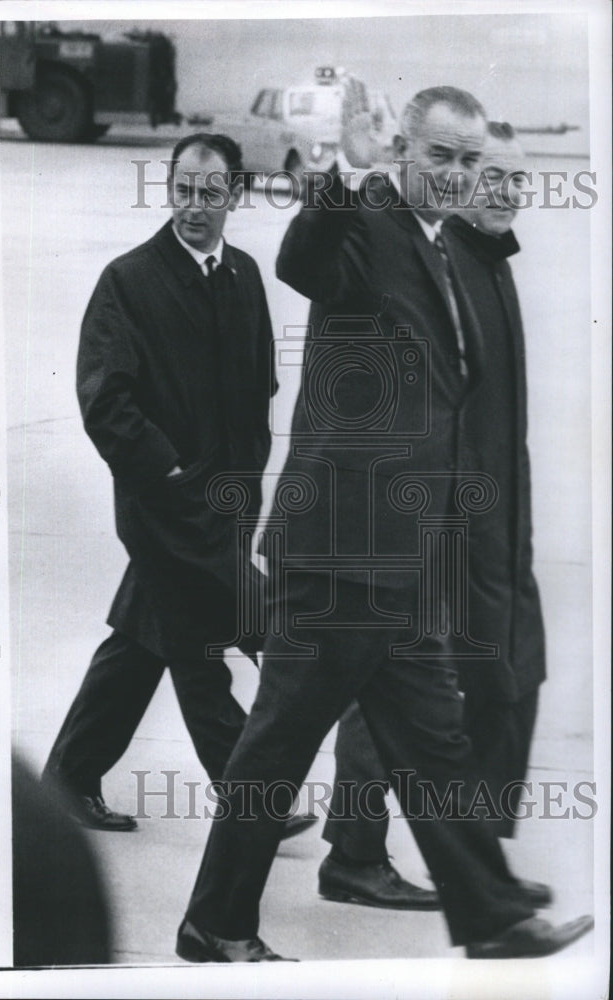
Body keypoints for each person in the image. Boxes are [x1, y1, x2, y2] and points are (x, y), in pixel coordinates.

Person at [176, 88, 593, 961]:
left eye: (466, 161)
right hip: (338, 553)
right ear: (403, 150)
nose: (452, 176)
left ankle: (490, 919)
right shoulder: (366, 222)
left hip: (401, 559)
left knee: (433, 745)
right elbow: (301, 259)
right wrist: (347, 168)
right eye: (436, 156)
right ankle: (214, 924)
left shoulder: (443, 249)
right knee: (276, 747)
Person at [42, 132, 313, 840]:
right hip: (162, 506)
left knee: (147, 636)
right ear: (168, 189)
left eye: (210, 193)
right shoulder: (128, 280)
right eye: (183, 191)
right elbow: (105, 400)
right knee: (211, 644)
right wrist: (166, 471)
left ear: (234, 195)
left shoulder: (244, 275)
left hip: (225, 507)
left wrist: (246, 481)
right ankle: (251, 797)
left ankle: (68, 778)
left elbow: (259, 387)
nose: (195, 207)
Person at [317, 120, 550, 911]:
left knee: (502, 676)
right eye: (492, 175)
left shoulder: (486, 265)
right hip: (439, 523)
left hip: (490, 517)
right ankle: (360, 852)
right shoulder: (437, 263)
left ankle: (476, 867)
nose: (506, 192)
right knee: (393, 685)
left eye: (517, 179)